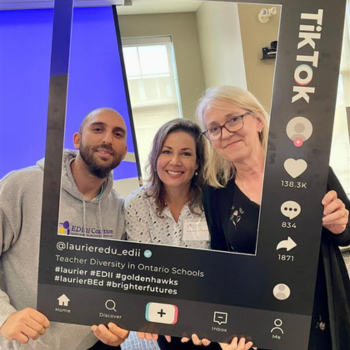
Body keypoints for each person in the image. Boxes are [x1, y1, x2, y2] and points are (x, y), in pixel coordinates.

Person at [195, 86, 350, 350]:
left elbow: (346, 232)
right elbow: (222, 259)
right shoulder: (215, 192)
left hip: (321, 306)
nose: (225, 133)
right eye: (214, 128)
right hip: (261, 315)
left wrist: (340, 225)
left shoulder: (310, 169)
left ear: (258, 120)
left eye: (233, 119)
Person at [0, 108, 130, 349]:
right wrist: (4, 316)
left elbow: (117, 280)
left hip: (96, 344)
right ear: (77, 139)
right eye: (98, 129)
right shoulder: (20, 187)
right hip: (27, 344)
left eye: (118, 134)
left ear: (123, 152)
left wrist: (122, 322)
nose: (107, 139)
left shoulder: (119, 208)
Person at [125, 119, 245, 350]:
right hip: (164, 317)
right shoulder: (137, 203)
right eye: (166, 151)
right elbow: (140, 269)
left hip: (211, 313)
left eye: (186, 154)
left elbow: (224, 263)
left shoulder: (213, 199)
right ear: (155, 157)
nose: (175, 161)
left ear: (198, 162)